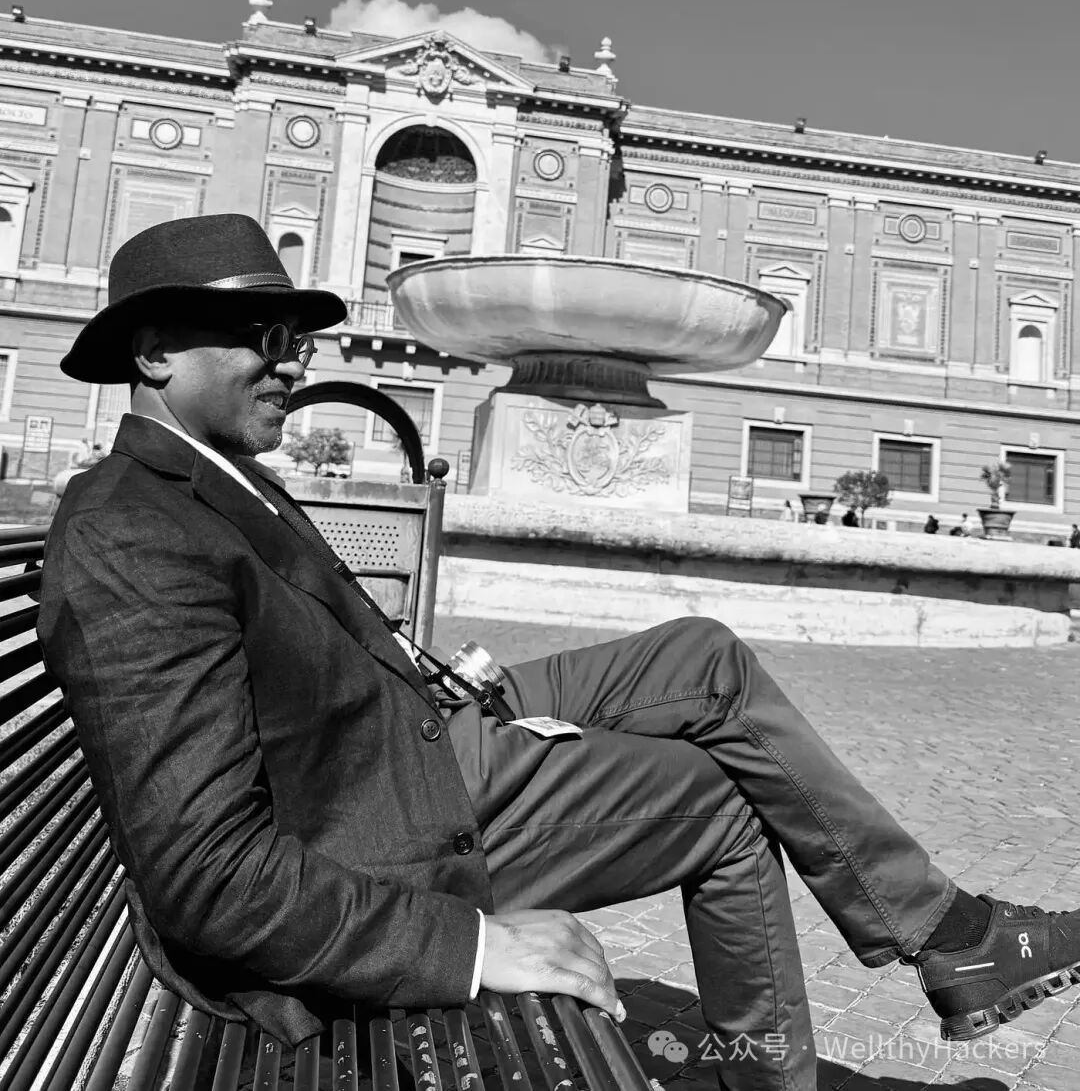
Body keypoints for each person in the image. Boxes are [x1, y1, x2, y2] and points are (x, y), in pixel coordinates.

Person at [37, 216, 1080, 1091]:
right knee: (715, 801)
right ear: (153, 352)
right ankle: (831, 1029)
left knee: (701, 656)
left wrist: (443, 677)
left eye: (293, 334)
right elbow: (209, 878)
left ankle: (952, 937)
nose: (294, 358)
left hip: (409, 731)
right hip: (379, 806)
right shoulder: (130, 530)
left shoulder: (209, 476)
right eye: (261, 333)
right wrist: (475, 945)